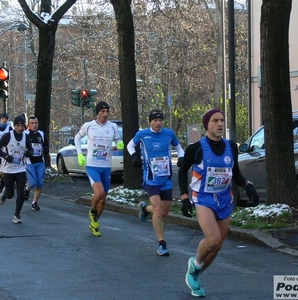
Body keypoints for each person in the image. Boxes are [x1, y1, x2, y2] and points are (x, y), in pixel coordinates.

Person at [178, 108, 259, 297]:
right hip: (203, 198)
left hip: (224, 198)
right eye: (215, 121)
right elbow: (182, 172)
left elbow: (235, 173)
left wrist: (248, 186)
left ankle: (196, 274)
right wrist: (184, 198)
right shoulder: (195, 148)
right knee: (212, 239)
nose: (220, 124)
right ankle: (195, 264)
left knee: (218, 244)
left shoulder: (231, 146)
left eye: (222, 120)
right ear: (207, 125)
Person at [127, 109, 185, 256]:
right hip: (151, 178)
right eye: (155, 120)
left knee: (164, 212)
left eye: (160, 120)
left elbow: (179, 148)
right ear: (150, 122)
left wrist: (181, 157)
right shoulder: (143, 134)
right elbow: (129, 145)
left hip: (166, 179)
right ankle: (162, 244)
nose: (158, 123)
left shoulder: (169, 133)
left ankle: (145, 209)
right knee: (158, 209)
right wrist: (134, 156)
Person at [74, 101, 123, 237]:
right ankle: (92, 212)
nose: (105, 114)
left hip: (106, 167)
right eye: (102, 112)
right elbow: (77, 138)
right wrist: (79, 154)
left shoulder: (113, 127)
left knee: (103, 200)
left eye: (107, 111)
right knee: (99, 192)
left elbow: (118, 141)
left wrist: (119, 144)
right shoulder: (89, 126)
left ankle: (94, 222)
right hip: (92, 165)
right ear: (97, 113)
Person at [0, 115, 33, 224]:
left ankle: (17, 215)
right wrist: (6, 156)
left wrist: (28, 153)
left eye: (22, 126)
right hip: (8, 169)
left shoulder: (26, 137)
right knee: (10, 194)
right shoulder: (8, 136)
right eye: (18, 126)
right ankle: (4, 194)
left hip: (21, 168)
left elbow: (31, 150)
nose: (20, 128)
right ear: (14, 126)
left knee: (20, 192)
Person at [24, 115, 49, 211]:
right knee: (33, 182)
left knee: (40, 183)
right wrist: (26, 152)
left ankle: (34, 202)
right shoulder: (25, 134)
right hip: (30, 162)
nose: (34, 125)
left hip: (40, 161)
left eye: (36, 123)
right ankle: (27, 187)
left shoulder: (41, 134)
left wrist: (45, 149)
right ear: (28, 125)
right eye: (32, 123)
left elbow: (46, 146)